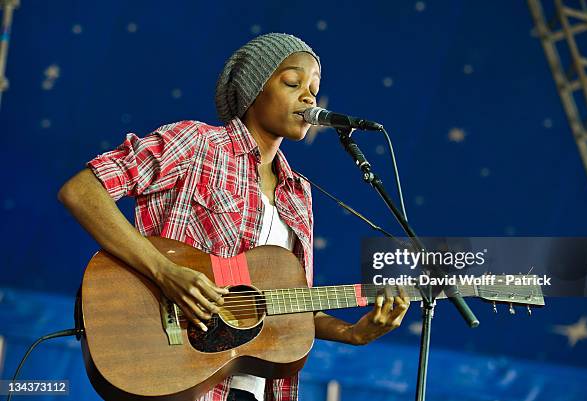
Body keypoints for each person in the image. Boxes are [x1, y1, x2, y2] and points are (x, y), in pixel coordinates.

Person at [58, 33, 410, 401]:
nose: (309, 98)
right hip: (178, 374)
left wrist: (353, 333)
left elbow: (281, 302)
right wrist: (165, 272)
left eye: (314, 88)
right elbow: (82, 191)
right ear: (254, 89)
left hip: (253, 388)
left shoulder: (299, 193)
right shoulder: (196, 144)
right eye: (293, 82)